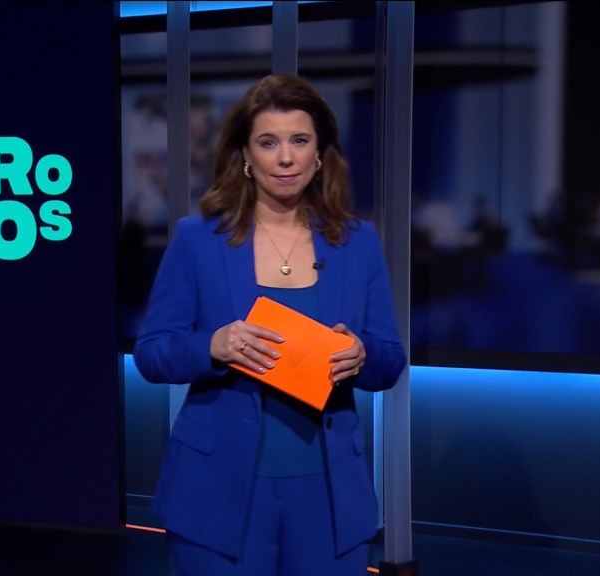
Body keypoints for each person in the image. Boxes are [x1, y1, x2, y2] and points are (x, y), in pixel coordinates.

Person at [132, 75, 407, 575]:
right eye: (268, 142)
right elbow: (152, 352)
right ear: (245, 155)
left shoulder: (357, 242)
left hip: (328, 495)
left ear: (319, 153)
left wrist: (362, 355)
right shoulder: (197, 240)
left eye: (299, 141)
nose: (285, 158)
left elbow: (390, 359)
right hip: (217, 489)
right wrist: (213, 346)